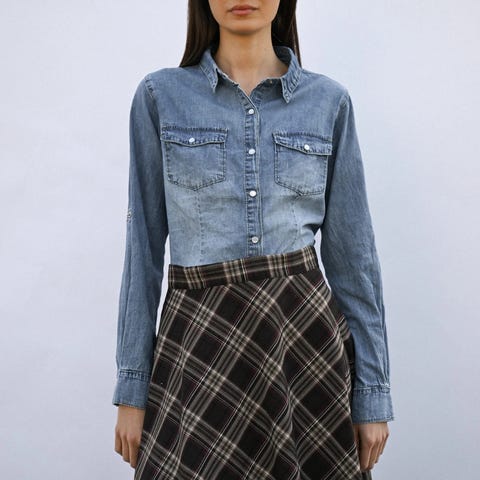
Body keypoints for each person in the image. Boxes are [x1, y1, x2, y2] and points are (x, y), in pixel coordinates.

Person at [113, 1, 394, 478]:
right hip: (198, 349)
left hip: (303, 349)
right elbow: (142, 253)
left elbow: (355, 263)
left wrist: (372, 394)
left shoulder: (329, 102)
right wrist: (133, 389)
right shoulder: (160, 96)